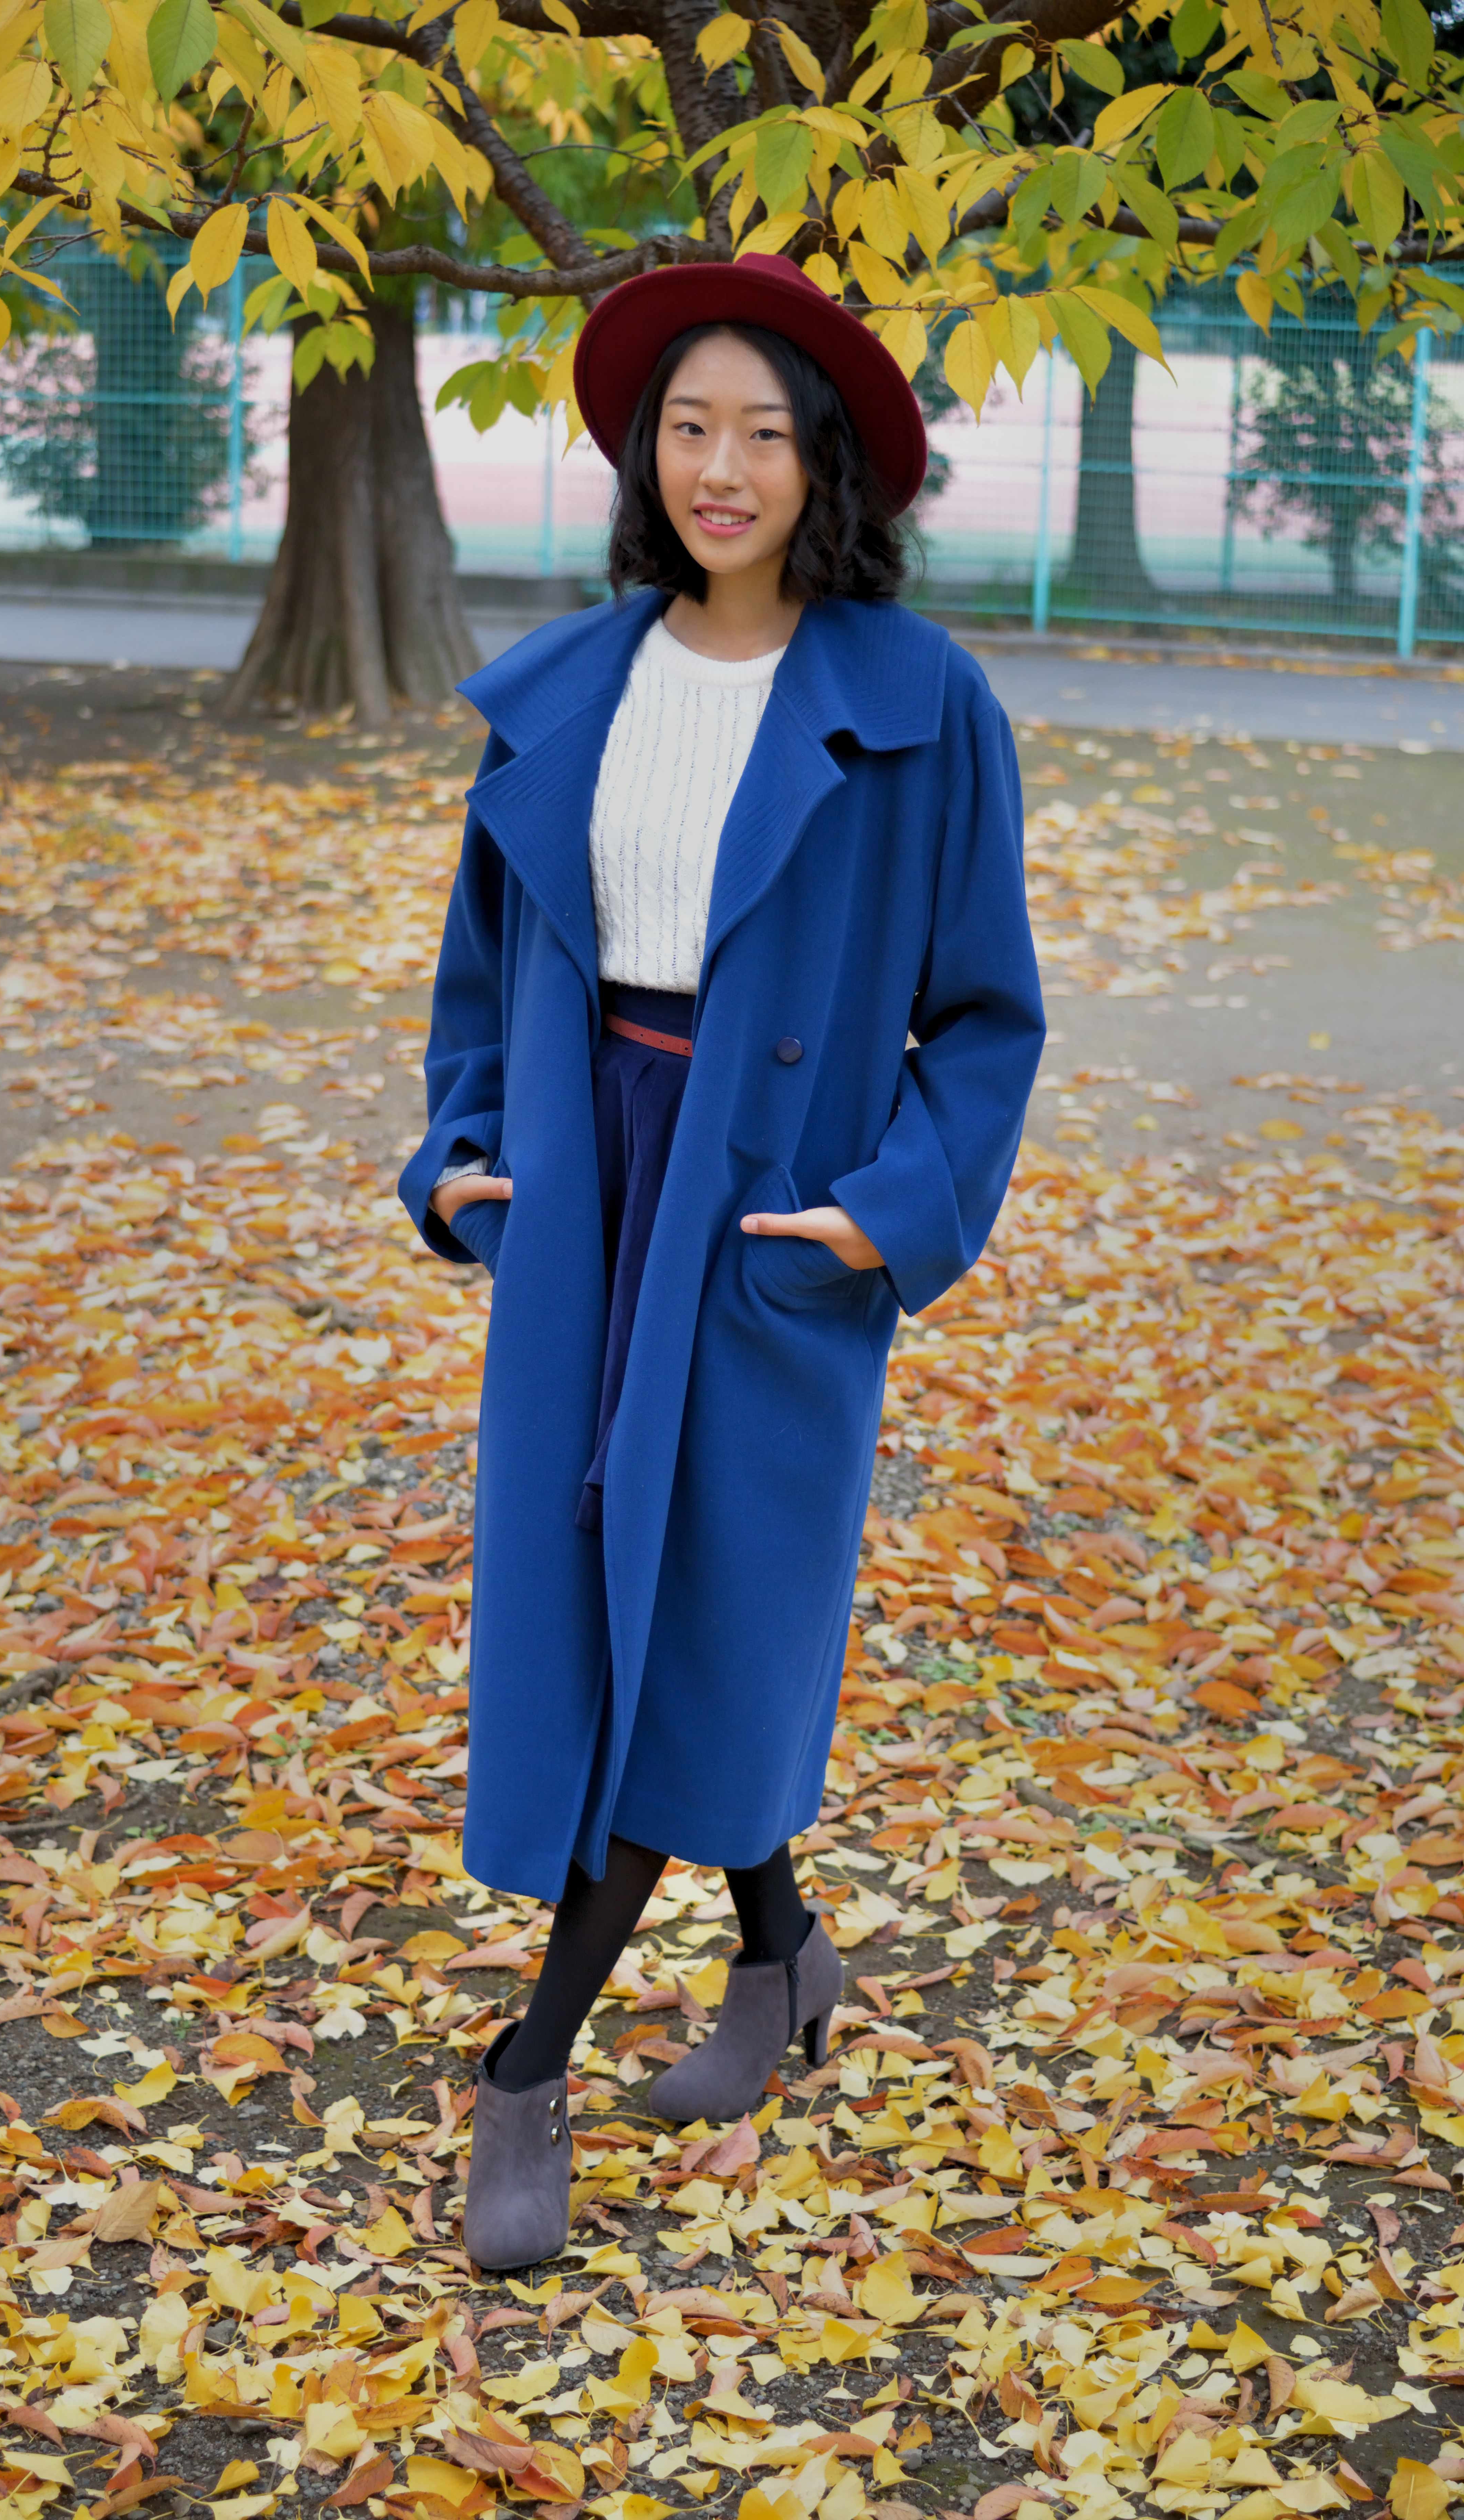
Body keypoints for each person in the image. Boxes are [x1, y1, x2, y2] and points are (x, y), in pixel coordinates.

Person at [399, 254, 1044, 2271]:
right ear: (643, 455)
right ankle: (785, 1958)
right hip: (591, 1192)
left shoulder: (920, 705)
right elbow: (482, 979)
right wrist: (466, 1161)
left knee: (710, 1610)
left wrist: (889, 1211)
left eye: (766, 432)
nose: (723, 468)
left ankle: (527, 2071)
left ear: (825, 465)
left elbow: (986, 1017)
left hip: (766, 1206)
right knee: (611, 1597)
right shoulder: (569, 690)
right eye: (689, 427)